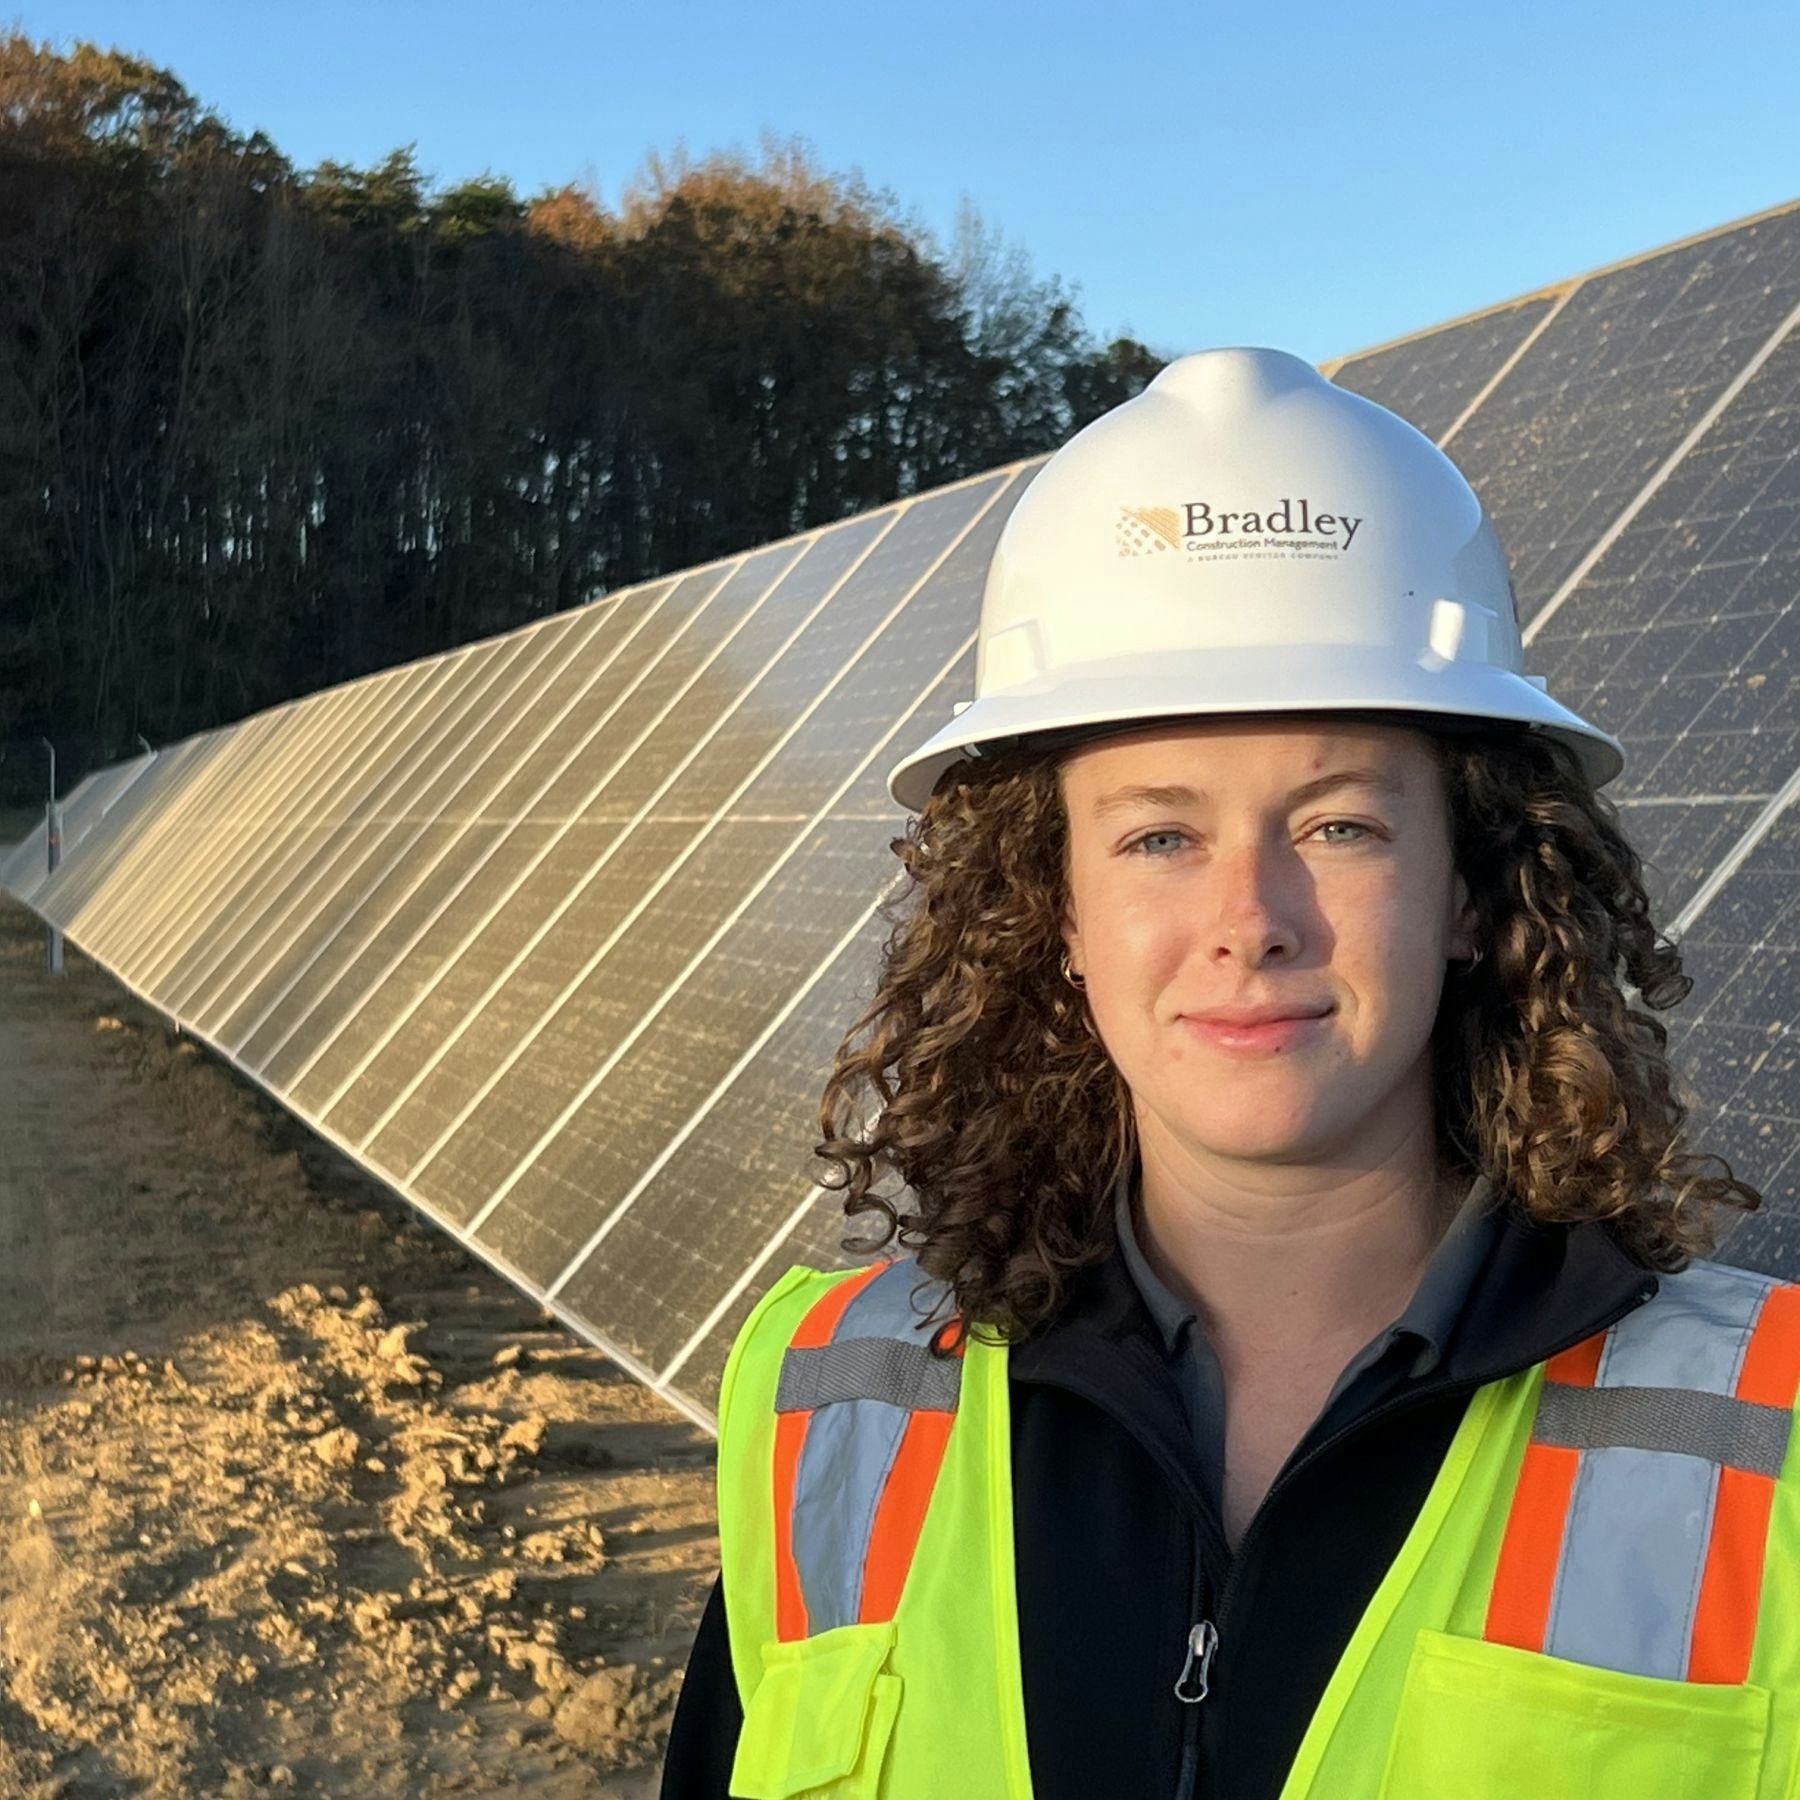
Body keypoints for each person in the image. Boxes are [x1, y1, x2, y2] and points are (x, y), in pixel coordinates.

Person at [659, 347, 1797, 1800]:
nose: (1251, 918)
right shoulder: (828, 1409)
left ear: (1471, 890)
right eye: (1156, 837)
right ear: (1054, 911)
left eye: (1339, 828)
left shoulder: (1773, 1441)